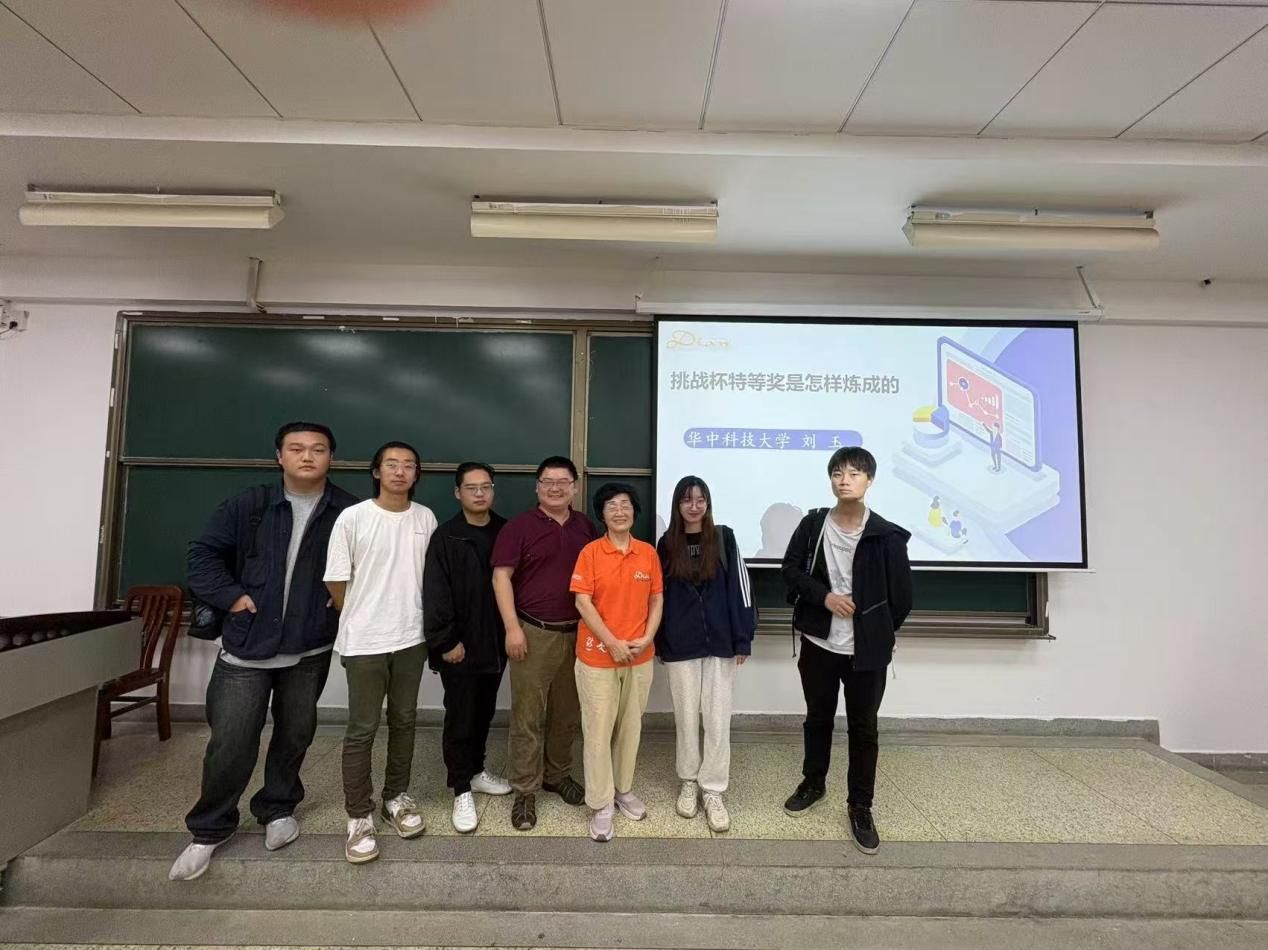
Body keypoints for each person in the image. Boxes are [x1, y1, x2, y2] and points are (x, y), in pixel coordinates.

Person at [171, 421, 356, 882]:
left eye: (318, 449)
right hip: (247, 645)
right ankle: (210, 828)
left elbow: (366, 566)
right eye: (297, 448)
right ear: (279, 456)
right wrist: (232, 596)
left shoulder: (348, 511)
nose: (307, 456)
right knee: (231, 741)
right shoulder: (249, 504)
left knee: (295, 733)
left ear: (331, 457)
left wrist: (342, 600)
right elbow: (202, 555)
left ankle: (277, 808)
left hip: (309, 645)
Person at [780, 446, 912, 855]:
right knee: (817, 718)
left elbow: (901, 599)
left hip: (866, 652)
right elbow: (791, 570)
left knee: (864, 728)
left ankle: (860, 805)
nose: (845, 480)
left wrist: (874, 630)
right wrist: (825, 598)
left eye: (854, 473)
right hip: (819, 643)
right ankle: (813, 783)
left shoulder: (887, 536)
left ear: (869, 480)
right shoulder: (813, 525)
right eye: (838, 473)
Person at [324, 441, 438, 864]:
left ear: (417, 474)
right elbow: (336, 580)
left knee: (405, 720)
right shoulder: (353, 517)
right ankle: (358, 815)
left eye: (409, 465)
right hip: (365, 641)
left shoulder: (425, 517)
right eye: (392, 464)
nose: (400, 471)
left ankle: (396, 797)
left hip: (411, 637)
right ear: (376, 472)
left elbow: (430, 577)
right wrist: (361, 614)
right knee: (362, 728)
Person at [491, 456, 597, 831]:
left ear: (575, 487)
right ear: (537, 487)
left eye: (563, 481)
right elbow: (501, 578)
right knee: (528, 716)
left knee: (567, 713)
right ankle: (525, 789)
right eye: (547, 481)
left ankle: (557, 774)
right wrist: (512, 628)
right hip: (533, 632)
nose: (555, 488)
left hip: (579, 633)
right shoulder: (519, 527)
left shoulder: (586, 527)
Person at [655, 476, 756, 833]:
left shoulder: (724, 538)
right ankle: (688, 780)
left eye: (700, 500)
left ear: (708, 504)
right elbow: (657, 596)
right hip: (680, 644)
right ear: (677, 505)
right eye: (687, 500)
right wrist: (660, 642)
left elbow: (741, 588)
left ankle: (712, 788)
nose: (694, 506)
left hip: (721, 644)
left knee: (717, 719)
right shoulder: (666, 544)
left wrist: (742, 638)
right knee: (685, 717)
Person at [571, 482, 663, 842]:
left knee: (631, 727)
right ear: (602, 514)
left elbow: (656, 599)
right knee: (597, 731)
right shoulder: (591, 553)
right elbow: (582, 602)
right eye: (612, 506)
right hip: (598, 656)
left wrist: (648, 637)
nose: (620, 511)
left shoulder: (648, 553)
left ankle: (623, 790)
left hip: (639, 657)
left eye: (625, 505)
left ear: (634, 512)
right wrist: (612, 643)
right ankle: (601, 803)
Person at [423, 462, 513, 833]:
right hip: (458, 646)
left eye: (486, 486)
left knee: (483, 711)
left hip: (495, 642)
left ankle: (476, 771)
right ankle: (460, 788)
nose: (479, 493)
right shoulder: (446, 536)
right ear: (458, 493)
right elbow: (435, 592)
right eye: (471, 487)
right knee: (460, 716)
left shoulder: (507, 530)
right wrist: (445, 641)